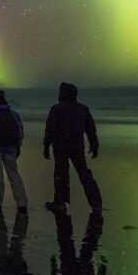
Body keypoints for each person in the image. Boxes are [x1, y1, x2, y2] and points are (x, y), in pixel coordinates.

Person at [43, 81, 102, 213]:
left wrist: (46, 146)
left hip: (61, 146)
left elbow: (50, 129)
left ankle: (60, 202)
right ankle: (96, 202)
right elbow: (91, 130)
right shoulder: (83, 109)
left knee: (61, 174)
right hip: (77, 147)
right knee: (84, 174)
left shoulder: (56, 109)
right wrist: (94, 144)